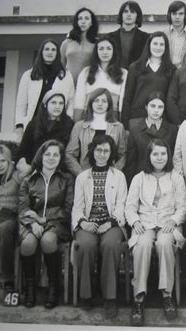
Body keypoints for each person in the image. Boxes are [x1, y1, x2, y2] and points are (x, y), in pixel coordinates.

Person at [126, 139, 186, 325]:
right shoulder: (139, 178)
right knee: (142, 245)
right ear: (149, 156)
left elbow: (182, 206)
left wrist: (174, 220)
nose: (159, 157)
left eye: (163, 153)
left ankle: (167, 295)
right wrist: (135, 221)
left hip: (169, 223)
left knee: (164, 243)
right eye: (155, 154)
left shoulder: (175, 177)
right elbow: (130, 206)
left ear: (168, 156)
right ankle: (138, 298)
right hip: (144, 223)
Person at [71, 135, 127, 318]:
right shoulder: (82, 177)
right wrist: (83, 223)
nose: (102, 154)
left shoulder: (119, 176)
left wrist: (110, 223)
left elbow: (121, 205)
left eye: (106, 151)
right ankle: (86, 294)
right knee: (85, 245)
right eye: (98, 150)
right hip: (88, 223)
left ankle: (110, 298)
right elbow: (77, 207)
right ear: (92, 151)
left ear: (111, 154)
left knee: (110, 245)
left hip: (111, 224)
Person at [18, 140, 74, 308]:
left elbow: (67, 209)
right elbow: (23, 209)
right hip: (30, 224)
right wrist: (33, 223)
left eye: (56, 154)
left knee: (48, 240)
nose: (51, 158)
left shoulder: (67, 179)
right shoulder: (29, 179)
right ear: (41, 156)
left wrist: (44, 220)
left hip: (57, 223)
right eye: (47, 154)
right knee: (28, 244)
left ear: (61, 158)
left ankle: (53, 287)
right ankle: (30, 288)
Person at [0, 145, 30, 305]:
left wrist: (21, 165)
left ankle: (8, 283)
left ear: (9, 161)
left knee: (4, 230)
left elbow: (30, 171)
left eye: (3, 161)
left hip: (10, 218)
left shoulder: (16, 176)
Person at [15, 39, 74, 142]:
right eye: (46, 49)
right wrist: (19, 129)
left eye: (53, 50)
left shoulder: (66, 75)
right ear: (41, 52)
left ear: (57, 53)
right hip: (34, 125)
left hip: (57, 127)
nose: (50, 52)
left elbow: (71, 101)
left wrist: (67, 123)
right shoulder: (29, 75)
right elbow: (21, 104)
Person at [121, 31, 176, 129]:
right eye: (155, 43)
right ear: (149, 45)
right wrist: (125, 125)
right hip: (137, 119)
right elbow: (127, 98)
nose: (158, 47)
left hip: (161, 121)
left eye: (161, 44)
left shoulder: (171, 70)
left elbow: (170, 99)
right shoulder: (135, 67)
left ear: (166, 48)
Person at [66, 88, 126, 176]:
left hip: (110, 177)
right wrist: (81, 173)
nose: (100, 104)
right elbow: (69, 154)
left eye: (104, 101)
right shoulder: (79, 126)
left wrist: (113, 173)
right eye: (96, 100)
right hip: (86, 175)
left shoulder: (118, 127)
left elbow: (123, 155)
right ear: (91, 103)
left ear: (109, 104)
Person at [126, 92, 178, 183]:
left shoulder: (172, 130)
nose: (156, 110)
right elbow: (131, 160)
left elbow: (173, 159)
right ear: (146, 106)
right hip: (141, 179)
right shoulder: (134, 127)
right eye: (153, 106)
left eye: (160, 107)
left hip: (163, 180)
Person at [16, 90, 74, 169]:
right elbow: (22, 151)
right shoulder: (34, 124)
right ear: (45, 105)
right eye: (53, 102)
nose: (57, 106)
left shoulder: (69, 124)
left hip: (60, 170)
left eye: (61, 103)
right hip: (36, 169)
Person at [74, 35, 128, 122]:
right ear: (96, 52)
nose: (105, 52)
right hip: (89, 116)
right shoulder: (86, 72)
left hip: (112, 118)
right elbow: (79, 101)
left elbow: (122, 103)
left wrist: (122, 125)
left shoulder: (123, 73)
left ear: (114, 51)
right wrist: (77, 124)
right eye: (101, 49)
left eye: (108, 48)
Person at [60, 7, 98, 85]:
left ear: (91, 23)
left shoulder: (96, 44)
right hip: (67, 85)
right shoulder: (66, 43)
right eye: (80, 19)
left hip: (87, 85)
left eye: (87, 18)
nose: (83, 21)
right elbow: (60, 66)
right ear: (76, 22)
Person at [108, 1, 149, 70]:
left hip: (136, 77)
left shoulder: (146, 38)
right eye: (125, 11)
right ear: (121, 14)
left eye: (132, 12)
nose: (129, 14)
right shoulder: (110, 37)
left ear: (137, 15)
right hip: (115, 76)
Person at [164, 0, 186, 68]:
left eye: (181, 14)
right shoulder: (162, 35)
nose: (177, 17)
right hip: (166, 73)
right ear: (170, 15)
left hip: (184, 74)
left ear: (185, 15)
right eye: (174, 13)